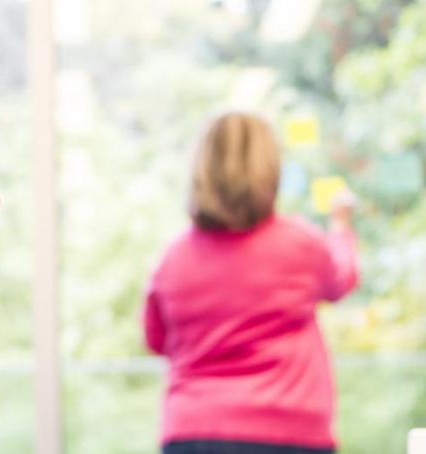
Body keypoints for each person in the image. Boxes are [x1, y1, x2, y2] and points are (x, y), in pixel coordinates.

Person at [143, 112, 358, 454]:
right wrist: (341, 228)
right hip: (288, 432)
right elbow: (342, 279)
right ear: (270, 170)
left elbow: (156, 340)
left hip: (193, 434)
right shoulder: (299, 243)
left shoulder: (173, 258)